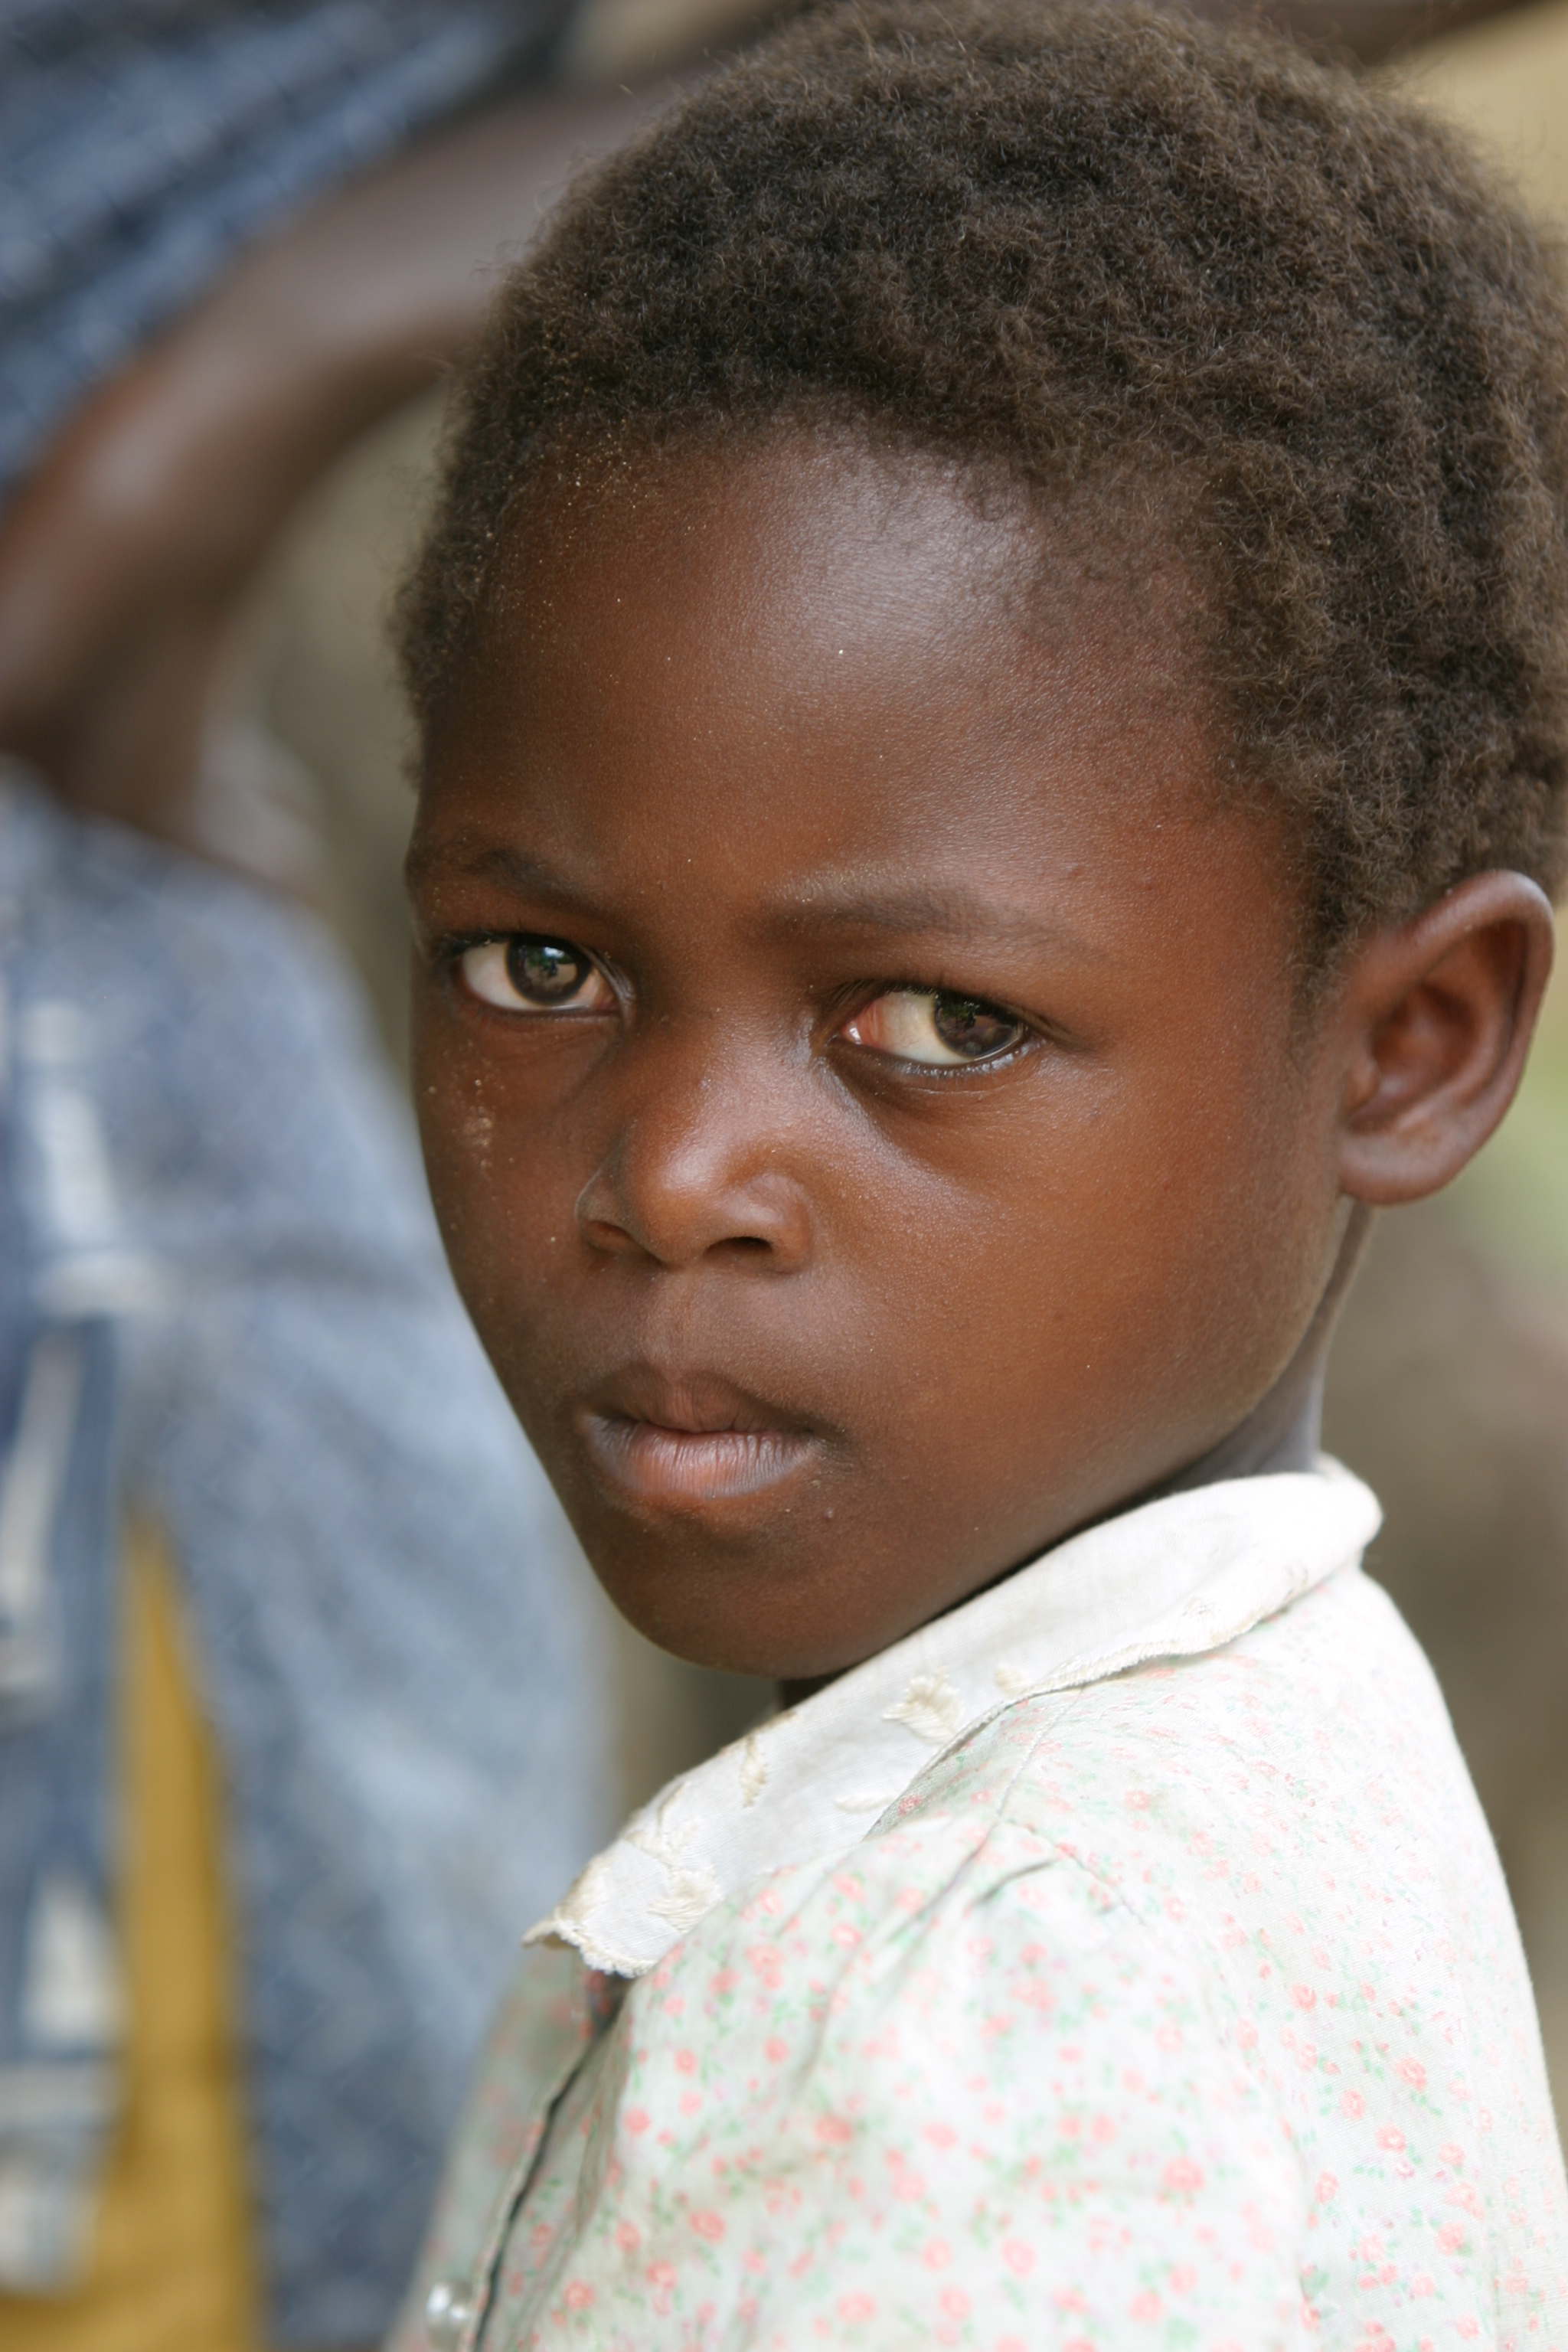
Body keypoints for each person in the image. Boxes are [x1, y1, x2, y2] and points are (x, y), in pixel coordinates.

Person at [381, 1, 1568, 2341]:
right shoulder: (1228, 1762)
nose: (678, 1174)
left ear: (1411, 1050)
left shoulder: (998, 2021)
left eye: (932, 1026)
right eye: (537, 966)